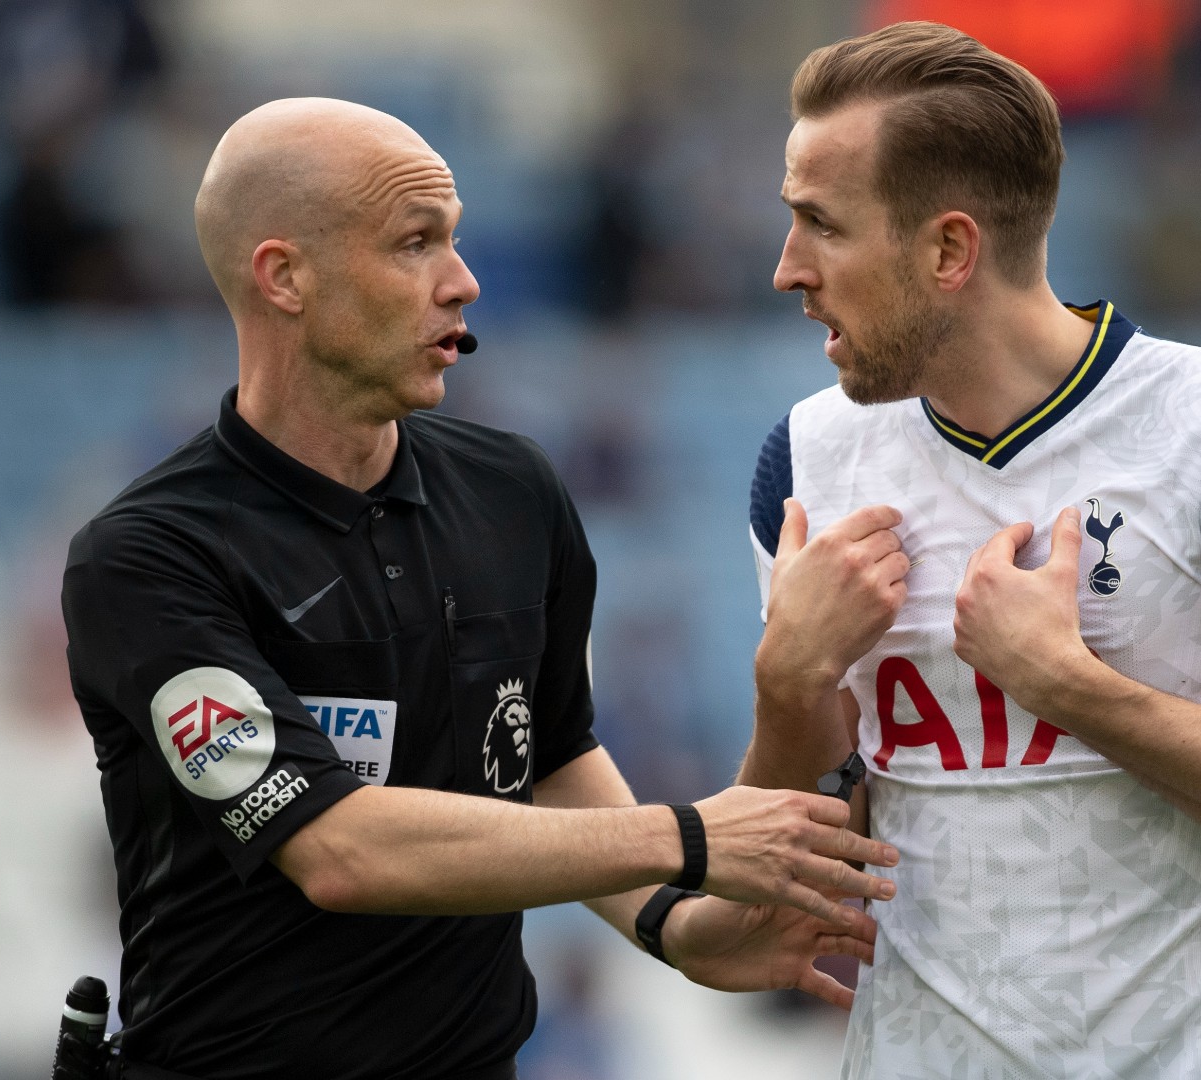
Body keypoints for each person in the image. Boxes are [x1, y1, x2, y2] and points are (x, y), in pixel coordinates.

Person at [61, 97, 899, 1080]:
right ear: (285, 276)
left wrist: (670, 924)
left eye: (453, 243)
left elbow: (547, 755)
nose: (462, 283)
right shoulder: (148, 557)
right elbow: (338, 852)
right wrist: (687, 840)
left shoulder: (513, 489)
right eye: (415, 244)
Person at [740, 23, 1201, 1079]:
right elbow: (792, 874)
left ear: (950, 250)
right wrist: (787, 686)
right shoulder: (807, 465)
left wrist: (1068, 686)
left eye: (822, 226)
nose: (787, 270)